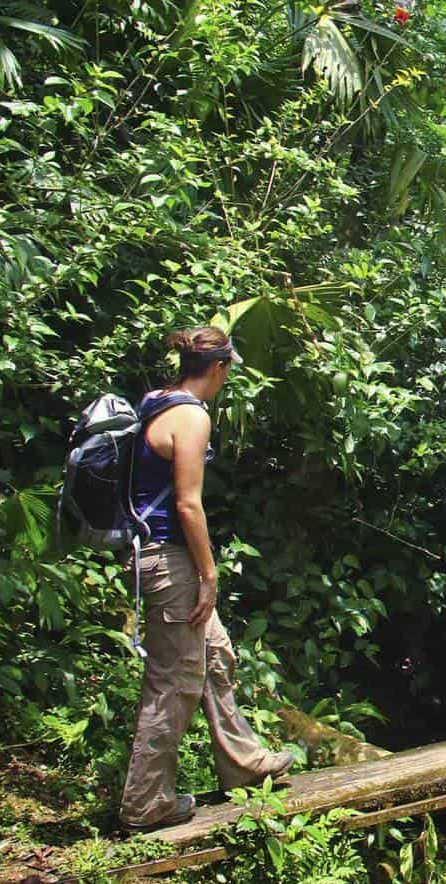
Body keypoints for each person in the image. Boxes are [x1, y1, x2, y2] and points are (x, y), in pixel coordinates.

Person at [119, 326, 293, 832]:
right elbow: (187, 503)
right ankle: (144, 803)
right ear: (219, 368)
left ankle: (242, 762)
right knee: (173, 682)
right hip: (170, 560)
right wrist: (208, 574)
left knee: (214, 653)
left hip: (156, 555)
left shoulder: (156, 400)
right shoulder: (191, 417)